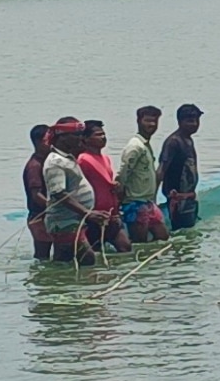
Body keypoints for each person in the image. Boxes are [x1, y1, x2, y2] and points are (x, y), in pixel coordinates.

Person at [41, 118, 105, 264]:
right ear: (62, 138)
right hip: (64, 223)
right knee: (86, 260)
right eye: (76, 135)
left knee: (66, 261)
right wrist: (87, 213)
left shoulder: (68, 158)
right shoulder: (55, 162)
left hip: (74, 220)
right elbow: (59, 194)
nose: (80, 138)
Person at [77, 120, 131, 254]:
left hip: (111, 214)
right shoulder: (83, 159)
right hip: (95, 215)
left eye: (103, 134)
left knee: (126, 247)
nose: (103, 137)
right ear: (85, 139)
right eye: (97, 135)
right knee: (95, 251)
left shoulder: (105, 158)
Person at [119, 106, 170, 244]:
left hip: (148, 202)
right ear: (139, 121)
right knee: (140, 244)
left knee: (164, 238)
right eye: (148, 121)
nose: (152, 125)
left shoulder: (145, 145)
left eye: (155, 121)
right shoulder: (135, 147)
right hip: (134, 203)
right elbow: (122, 175)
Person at [159, 103, 202, 231]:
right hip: (177, 199)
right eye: (189, 121)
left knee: (190, 233)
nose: (194, 124)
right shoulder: (173, 142)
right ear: (180, 121)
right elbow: (162, 169)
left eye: (196, 120)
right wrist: (152, 197)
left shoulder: (188, 140)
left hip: (189, 197)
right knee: (180, 231)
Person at [23, 124, 53, 260]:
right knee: (42, 255)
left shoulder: (48, 162)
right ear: (40, 142)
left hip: (48, 214)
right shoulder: (34, 166)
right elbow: (36, 196)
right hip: (39, 217)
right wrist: (55, 208)